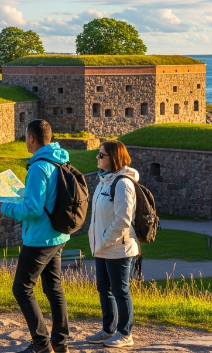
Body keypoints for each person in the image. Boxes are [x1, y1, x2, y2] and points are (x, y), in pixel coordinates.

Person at [0, 119, 70, 353]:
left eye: (26, 136)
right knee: (53, 288)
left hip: (39, 238)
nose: (26, 140)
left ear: (31, 138)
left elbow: (33, 209)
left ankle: (42, 344)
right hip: (57, 234)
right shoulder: (58, 159)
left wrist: (3, 208)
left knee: (22, 289)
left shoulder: (38, 167)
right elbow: (47, 197)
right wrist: (24, 193)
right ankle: (60, 342)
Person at [86, 140, 138, 348]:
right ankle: (109, 329)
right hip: (103, 247)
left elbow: (123, 220)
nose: (97, 158)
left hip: (118, 247)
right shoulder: (103, 181)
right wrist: (99, 242)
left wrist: (105, 240)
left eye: (101, 155)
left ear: (113, 158)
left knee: (120, 290)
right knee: (103, 288)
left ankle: (125, 333)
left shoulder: (123, 184)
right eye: (98, 154)